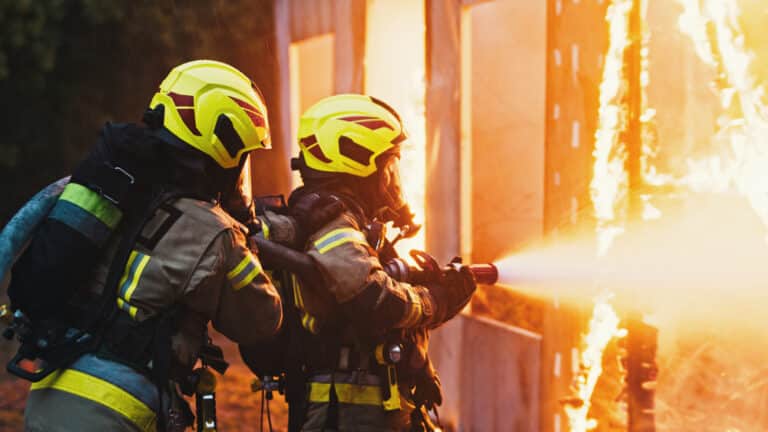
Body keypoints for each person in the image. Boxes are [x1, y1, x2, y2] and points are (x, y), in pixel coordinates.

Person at [9, 60, 283, 431]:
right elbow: (262, 319)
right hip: (117, 411)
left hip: (49, 395)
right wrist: (253, 247)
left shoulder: (115, 188)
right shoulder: (216, 233)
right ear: (223, 142)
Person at [246, 94, 477, 432]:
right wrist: (437, 300)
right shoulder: (334, 224)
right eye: (389, 166)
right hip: (348, 413)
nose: (393, 180)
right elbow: (375, 301)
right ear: (358, 163)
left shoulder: (346, 222)